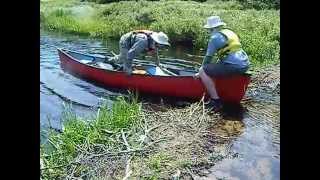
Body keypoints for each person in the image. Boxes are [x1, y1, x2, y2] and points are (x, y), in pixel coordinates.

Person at [194, 16, 250, 112]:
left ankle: (215, 101)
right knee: (215, 68)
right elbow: (227, 55)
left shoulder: (214, 38)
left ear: (211, 29)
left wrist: (200, 73)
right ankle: (227, 91)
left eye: (209, 30)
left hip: (234, 66)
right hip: (245, 65)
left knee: (203, 70)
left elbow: (207, 59)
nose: (208, 32)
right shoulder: (229, 32)